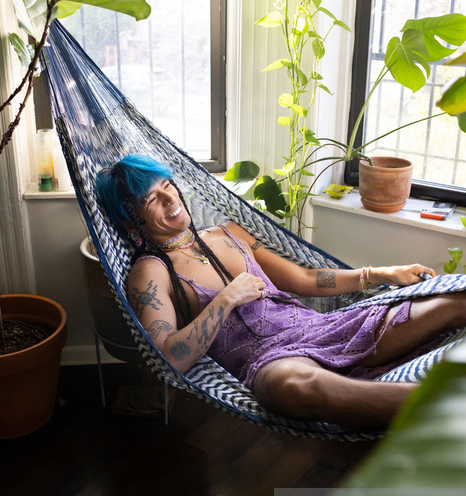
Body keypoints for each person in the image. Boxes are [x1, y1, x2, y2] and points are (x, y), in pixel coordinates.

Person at [95, 154, 466, 429]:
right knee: (289, 389)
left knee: (452, 303)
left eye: (167, 186)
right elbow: (169, 358)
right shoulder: (150, 272)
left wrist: (379, 273)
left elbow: (305, 280)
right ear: (131, 220)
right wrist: (225, 300)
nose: (170, 199)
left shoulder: (229, 233)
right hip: (269, 360)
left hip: (324, 329)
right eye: (151, 200)